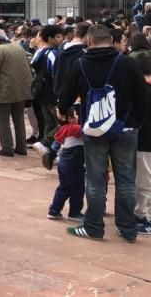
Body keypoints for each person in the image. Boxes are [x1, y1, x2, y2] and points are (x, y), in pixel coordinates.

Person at [58, 24, 146, 242]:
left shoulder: (80, 64)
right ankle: (128, 228)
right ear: (112, 40)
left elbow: (66, 97)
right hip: (126, 128)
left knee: (95, 179)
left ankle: (94, 226)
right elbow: (142, 96)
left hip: (94, 129)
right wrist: (138, 122)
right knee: (126, 179)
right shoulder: (127, 63)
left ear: (89, 41)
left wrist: (63, 111)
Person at [0, 28, 33, 157]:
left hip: (4, 90)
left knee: (3, 119)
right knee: (19, 119)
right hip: (21, 90)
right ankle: (21, 147)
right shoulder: (18, 47)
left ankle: (7, 147)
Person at [46, 109, 86, 222]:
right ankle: (74, 212)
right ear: (69, 119)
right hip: (74, 164)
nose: (78, 116)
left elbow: (57, 138)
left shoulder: (62, 129)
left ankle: (54, 210)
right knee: (78, 188)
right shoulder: (74, 128)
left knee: (64, 187)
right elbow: (84, 131)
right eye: (76, 115)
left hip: (63, 163)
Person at [31, 24, 64, 158]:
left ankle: (50, 153)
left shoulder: (42, 52)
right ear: (50, 38)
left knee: (49, 123)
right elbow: (56, 75)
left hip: (43, 93)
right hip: (52, 94)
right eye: (58, 37)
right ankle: (45, 144)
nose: (61, 39)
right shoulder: (53, 54)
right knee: (63, 123)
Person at [132, 50, 151, 235]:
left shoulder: (140, 88)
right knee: (145, 180)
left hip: (142, 140)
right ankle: (140, 216)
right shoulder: (144, 89)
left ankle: (142, 213)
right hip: (145, 141)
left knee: (144, 179)